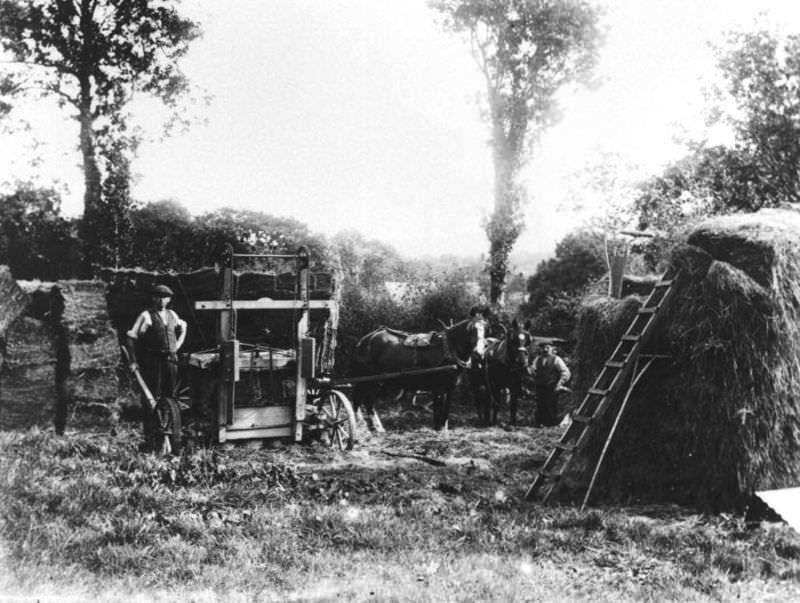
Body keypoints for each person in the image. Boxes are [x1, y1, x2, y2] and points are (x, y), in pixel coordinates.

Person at [125, 284, 188, 448]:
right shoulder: (146, 316)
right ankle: (151, 437)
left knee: (170, 396)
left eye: (165, 297)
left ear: (169, 299)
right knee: (152, 396)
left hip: (171, 361)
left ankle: (167, 431)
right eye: (158, 297)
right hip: (153, 361)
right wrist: (133, 361)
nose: (162, 300)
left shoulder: (172, 314)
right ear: (153, 298)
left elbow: (184, 327)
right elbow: (131, 337)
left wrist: (177, 346)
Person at [530, 341, 571, 427]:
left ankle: (551, 425)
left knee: (551, 406)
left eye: (547, 347)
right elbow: (533, 369)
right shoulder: (537, 359)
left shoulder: (556, 359)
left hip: (551, 387)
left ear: (552, 349)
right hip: (540, 386)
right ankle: (539, 425)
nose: (545, 350)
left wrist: (560, 383)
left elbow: (565, 372)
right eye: (543, 348)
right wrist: (532, 372)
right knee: (540, 405)